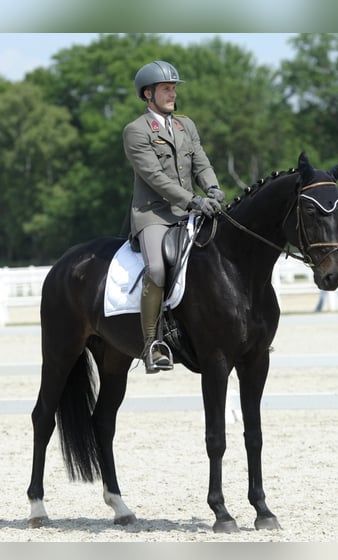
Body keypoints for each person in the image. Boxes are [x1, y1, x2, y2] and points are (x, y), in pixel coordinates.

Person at [123, 60, 225, 374]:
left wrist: (213, 188)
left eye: (174, 88)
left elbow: (201, 163)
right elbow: (155, 177)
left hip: (192, 210)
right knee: (156, 269)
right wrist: (193, 200)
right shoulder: (136, 131)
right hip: (154, 215)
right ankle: (152, 344)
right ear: (148, 94)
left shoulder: (185, 125)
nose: (172, 93)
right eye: (166, 88)